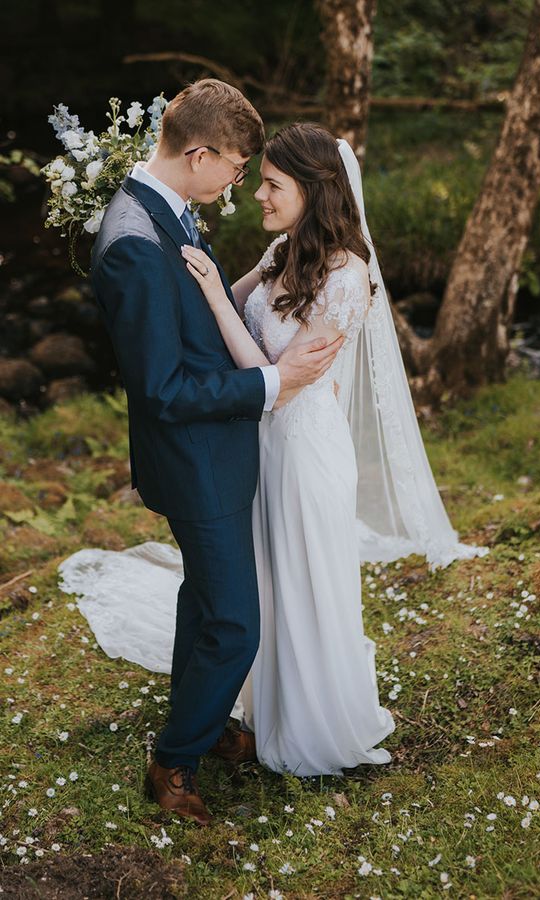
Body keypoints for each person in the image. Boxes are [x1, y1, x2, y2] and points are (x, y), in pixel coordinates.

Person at [64, 82, 344, 826]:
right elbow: (161, 390)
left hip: (213, 454)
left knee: (205, 600)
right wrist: (272, 381)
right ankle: (175, 761)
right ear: (198, 153)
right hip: (197, 461)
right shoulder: (132, 244)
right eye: (236, 167)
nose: (240, 183)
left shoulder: (166, 209)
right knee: (234, 623)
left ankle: (206, 717)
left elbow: (198, 312)